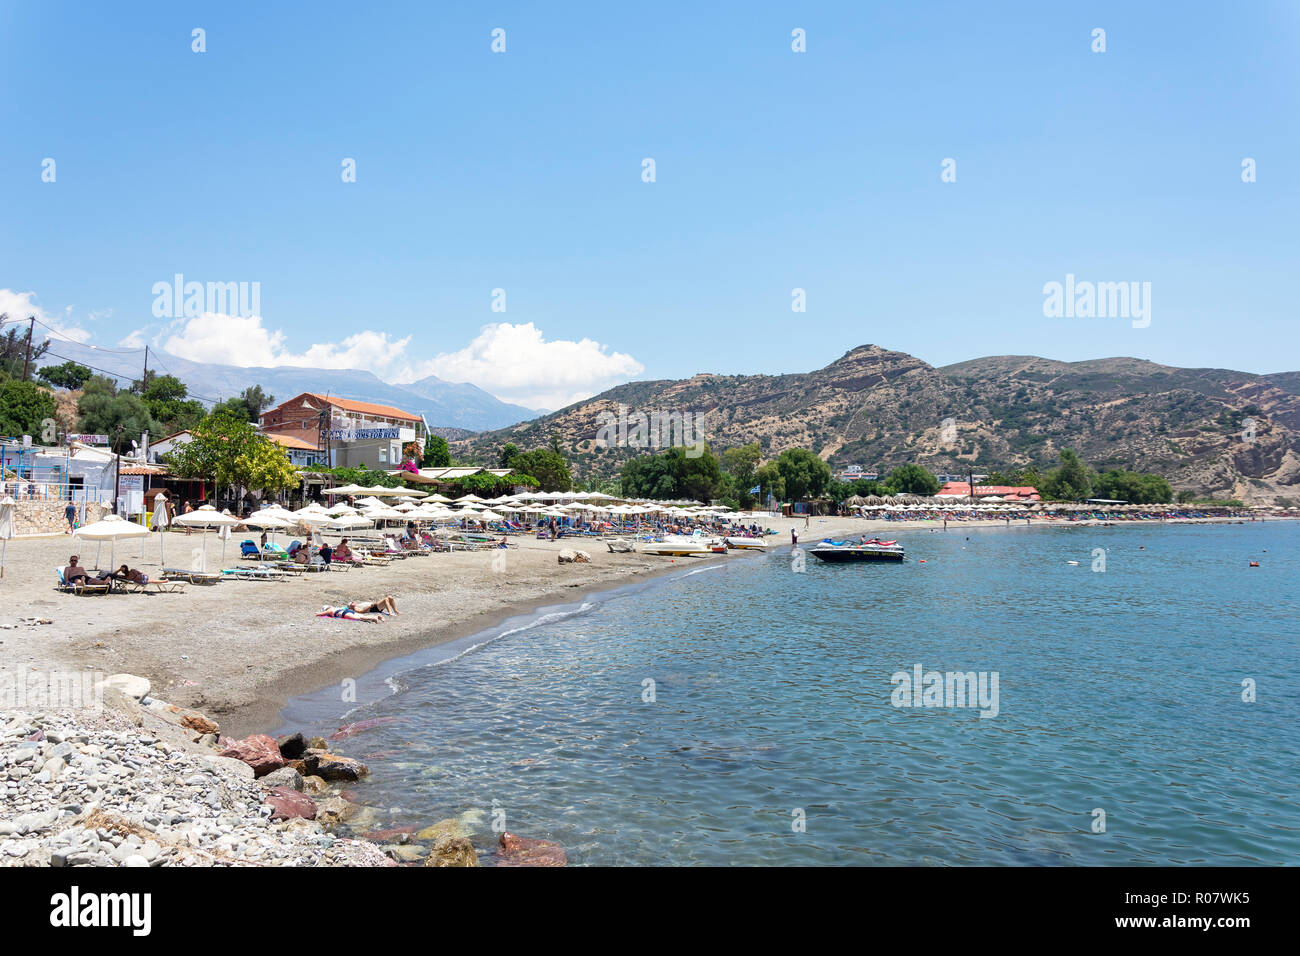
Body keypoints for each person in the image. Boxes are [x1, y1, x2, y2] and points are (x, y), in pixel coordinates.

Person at [318, 605, 385, 623]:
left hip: (344, 614)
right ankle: (377, 616)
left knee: (359, 618)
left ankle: (373, 618)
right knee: (361, 615)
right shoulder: (335, 608)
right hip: (348, 611)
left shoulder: (329, 610)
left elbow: (320, 614)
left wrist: (318, 613)